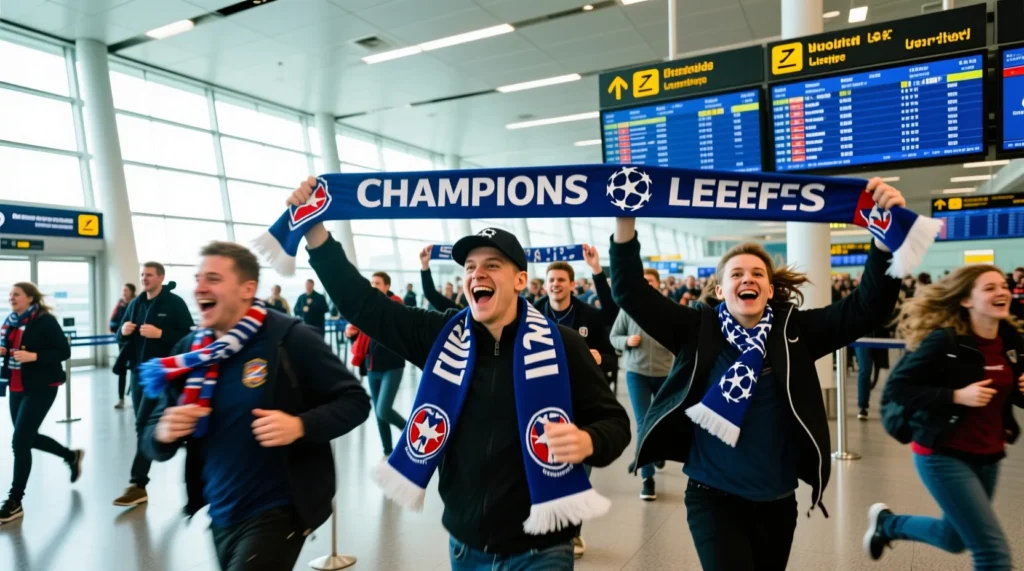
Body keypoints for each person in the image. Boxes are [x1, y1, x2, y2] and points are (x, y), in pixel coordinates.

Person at [288, 177, 630, 570]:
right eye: (470, 267)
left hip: (543, 549)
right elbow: (365, 306)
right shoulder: (441, 336)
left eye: (492, 265)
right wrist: (314, 229)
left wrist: (588, 440)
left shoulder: (563, 345)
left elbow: (615, 423)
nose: (477, 274)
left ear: (520, 280)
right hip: (467, 547)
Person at [610, 179, 906, 571]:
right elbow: (630, 291)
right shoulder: (695, 329)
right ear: (719, 289)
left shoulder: (795, 332)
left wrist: (884, 240)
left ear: (769, 289)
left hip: (778, 501)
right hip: (711, 497)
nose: (747, 278)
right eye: (736, 274)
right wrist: (625, 217)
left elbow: (866, 309)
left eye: (757, 274)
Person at [141, 242, 370, 571]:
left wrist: (300, 426)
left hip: (279, 509)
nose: (200, 287)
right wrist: (162, 432)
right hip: (220, 510)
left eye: (214, 279)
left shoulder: (288, 339)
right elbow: (151, 433)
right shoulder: (191, 353)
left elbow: (355, 400)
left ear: (248, 289)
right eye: (198, 278)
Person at [866, 265, 1024, 570]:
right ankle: (887, 525)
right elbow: (899, 388)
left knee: (954, 538)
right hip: (941, 454)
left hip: (989, 455)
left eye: (1002, 285)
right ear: (966, 300)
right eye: (989, 288)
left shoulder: (1012, 341)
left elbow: (1012, 394)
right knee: (993, 553)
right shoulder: (945, 342)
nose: (1001, 291)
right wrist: (955, 395)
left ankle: (888, 525)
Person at [533, 259, 618, 558]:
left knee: (577, 471)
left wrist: (598, 358)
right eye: (551, 280)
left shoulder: (590, 318)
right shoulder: (530, 314)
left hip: (581, 404)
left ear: (572, 284)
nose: (555, 284)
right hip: (540, 403)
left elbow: (612, 356)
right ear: (545, 285)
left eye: (561, 280)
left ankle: (572, 532)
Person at [0, 282, 84, 523]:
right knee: (27, 437)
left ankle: (15, 500)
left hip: (41, 387)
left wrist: (34, 356)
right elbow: (10, 346)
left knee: (19, 441)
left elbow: (63, 351)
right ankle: (70, 456)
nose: (12, 298)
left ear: (29, 298)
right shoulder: (11, 320)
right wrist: (3, 350)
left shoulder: (44, 320)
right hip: (16, 385)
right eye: (10, 295)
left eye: (16, 294)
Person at [113, 262, 194, 508]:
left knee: (152, 422)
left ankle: (138, 481)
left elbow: (189, 336)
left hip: (167, 374)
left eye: (149, 275)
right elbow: (119, 335)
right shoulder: (136, 304)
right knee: (142, 424)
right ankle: (143, 473)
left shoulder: (174, 303)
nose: (144, 278)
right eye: (142, 275)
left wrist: (161, 334)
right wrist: (123, 332)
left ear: (161, 277)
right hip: (140, 374)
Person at [610, 268, 674, 502]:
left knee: (662, 421)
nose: (647, 285)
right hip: (636, 373)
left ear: (658, 286)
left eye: (651, 282)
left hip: (664, 374)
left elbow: (683, 340)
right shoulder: (629, 309)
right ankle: (647, 477)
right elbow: (614, 337)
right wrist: (626, 341)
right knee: (643, 422)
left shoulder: (669, 310)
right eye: (643, 281)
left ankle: (655, 451)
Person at [364, 271, 408, 456]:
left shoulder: (395, 304)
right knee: (379, 414)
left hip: (392, 366)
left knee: (383, 410)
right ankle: (387, 451)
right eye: (372, 283)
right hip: (372, 366)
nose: (374, 286)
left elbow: (391, 330)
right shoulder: (368, 305)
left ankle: (409, 434)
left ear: (387, 286)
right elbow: (366, 336)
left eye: (378, 283)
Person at [110, 282, 136, 409]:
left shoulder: (137, 304)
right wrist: (120, 331)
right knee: (122, 370)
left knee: (135, 369)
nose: (123, 293)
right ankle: (121, 398)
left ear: (131, 291)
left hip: (135, 342)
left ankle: (133, 394)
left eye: (126, 290)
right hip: (122, 342)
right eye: (122, 290)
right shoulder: (119, 305)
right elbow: (113, 322)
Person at [419, 246, 463, 311]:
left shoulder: (458, 299)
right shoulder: (451, 306)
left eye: (449, 289)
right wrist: (425, 265)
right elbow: (430, 293)